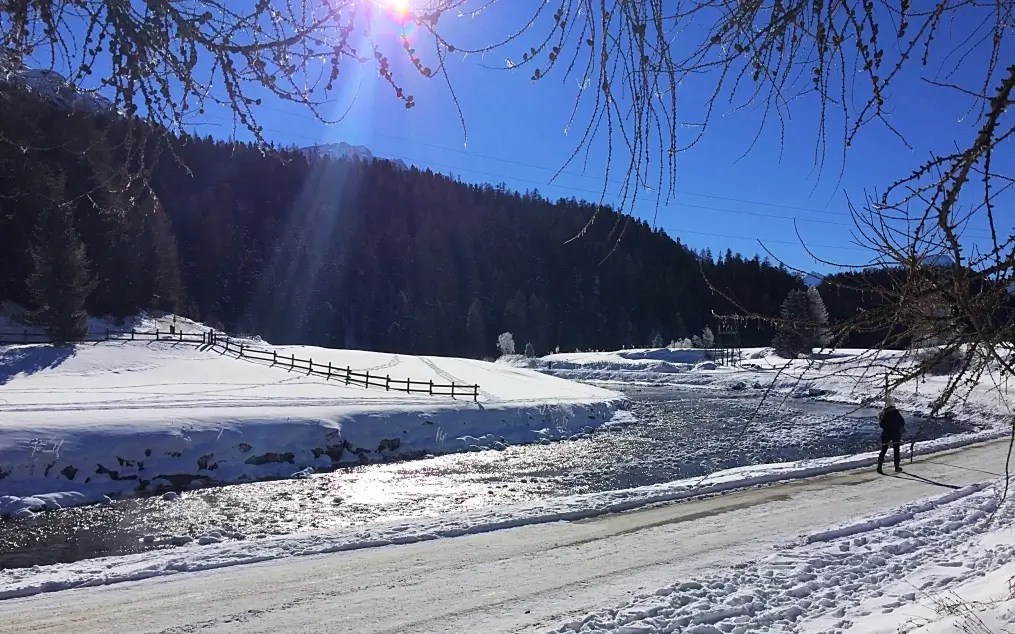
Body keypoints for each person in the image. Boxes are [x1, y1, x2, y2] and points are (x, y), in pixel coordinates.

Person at [877, 395, 906, 474]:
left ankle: (879, 467)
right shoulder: (896, 413)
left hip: (886, 433)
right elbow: (902, 422)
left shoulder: (884, 414)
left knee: (883, 450)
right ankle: (896, 467)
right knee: (896, 450)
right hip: (896, 434)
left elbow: (881, 425)